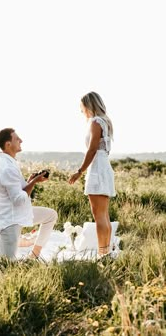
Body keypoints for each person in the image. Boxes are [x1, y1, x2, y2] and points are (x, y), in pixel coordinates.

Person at [0, 128, 58, 261]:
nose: (21, 140)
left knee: (51, 215)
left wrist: (29, 181)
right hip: (10, 219)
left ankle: (34, 255)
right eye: (17, 139)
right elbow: (19, 200)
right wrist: (34, 182)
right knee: (6, 264)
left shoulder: (8, 161)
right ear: (8, 144)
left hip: (19, 213)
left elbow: (15, 190)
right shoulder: (7, 167)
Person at [68, 91, 116, 257]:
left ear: (89, 106)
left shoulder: (95, 122)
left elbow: (92, 149)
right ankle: (106, 252)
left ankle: (102, 254)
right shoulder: (105, 122)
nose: (82, 112)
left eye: (82, 108)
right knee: (104, 215)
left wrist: (79, 171)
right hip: (105, 167)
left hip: (97, 168)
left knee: (99, 216)